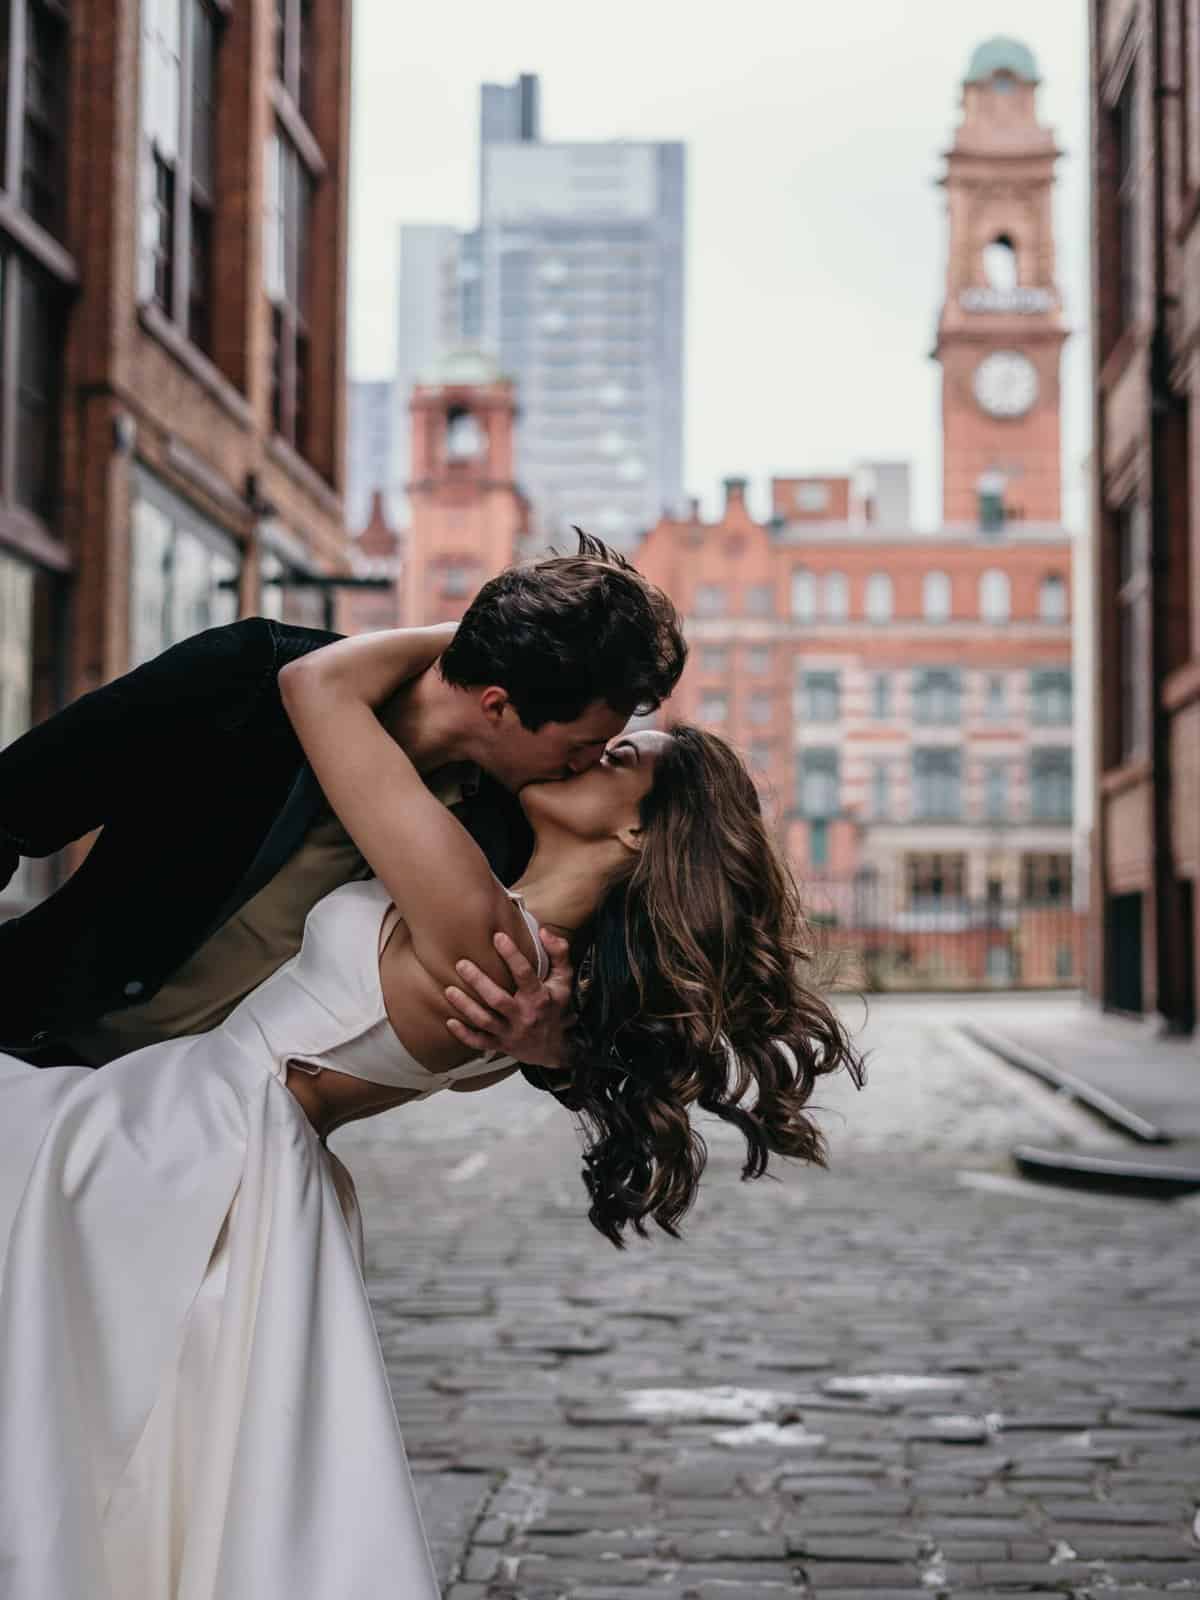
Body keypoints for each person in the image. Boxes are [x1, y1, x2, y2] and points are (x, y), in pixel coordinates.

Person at [0, 604, 864, 1600]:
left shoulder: (481, 925)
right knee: (113, 1436)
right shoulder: (536, 969)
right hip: (185, 1127)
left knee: (83, 1425)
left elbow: (319, 687)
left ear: (633, 828)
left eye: (620, 751)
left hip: (179, 1144)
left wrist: (489, 634)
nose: (595, 750)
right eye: (601, 733)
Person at [0, 531, 685, 1083]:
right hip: (32, 1043)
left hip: (207, 1134)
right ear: (499, 705)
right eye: (584, 744)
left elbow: (582, 1006)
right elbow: (13, 807)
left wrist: (552, 1049)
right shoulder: (247, 679)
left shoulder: (506, 826)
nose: (587, 767)